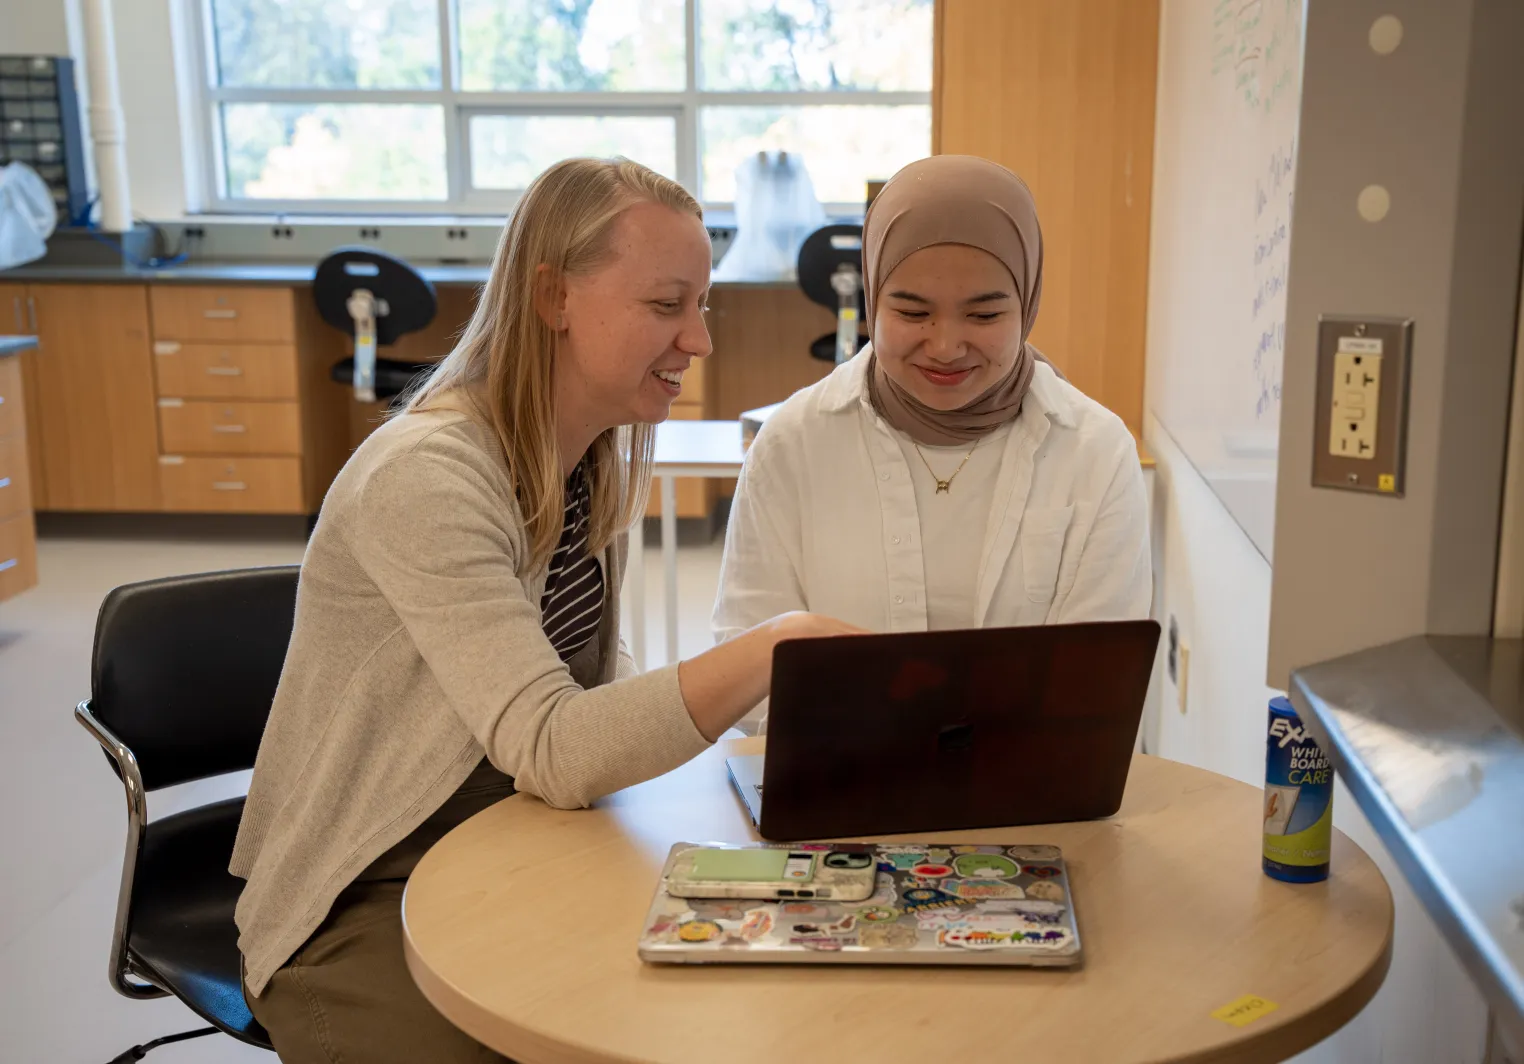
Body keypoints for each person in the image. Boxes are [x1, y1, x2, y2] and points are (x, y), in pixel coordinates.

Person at [231, 158, 861, 1063]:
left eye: (703, 306)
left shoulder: (585, 457)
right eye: (666, 305)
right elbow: (555, 747)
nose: (700, 340)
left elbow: (578, 704)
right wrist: (780, 644)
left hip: (507, 843)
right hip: (358, 890)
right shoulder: (429, 478)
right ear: (554, 295)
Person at [714, 155, 1149, 727]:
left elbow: (1096, 684)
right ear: (873, 298)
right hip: (839, 791)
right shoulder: (793, 445)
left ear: (1028, 304)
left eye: (985, 313)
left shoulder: (1093, 451)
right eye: (912, 311)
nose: (945, 346)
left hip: (1027, 798)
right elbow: (749, 670)